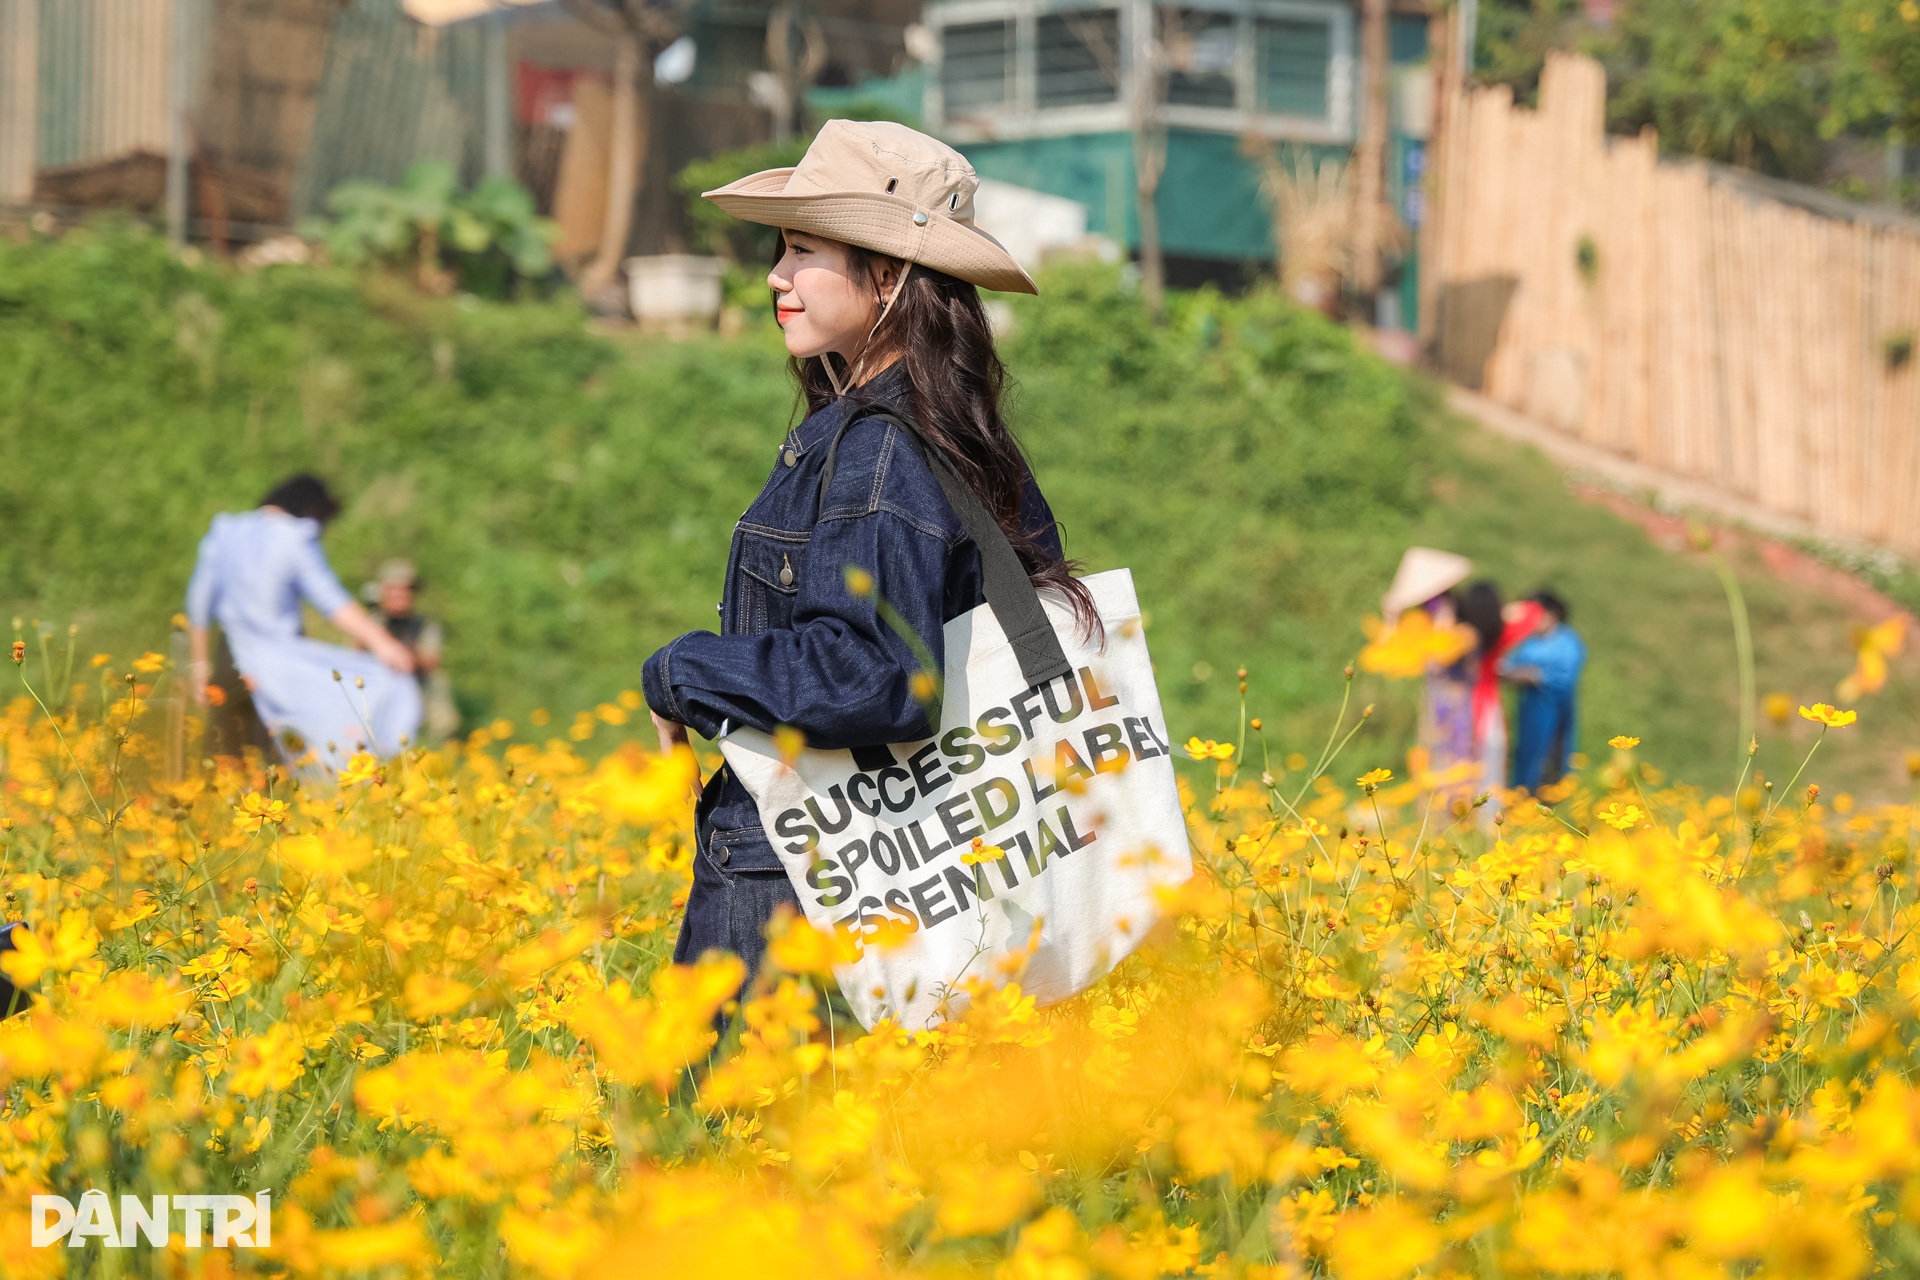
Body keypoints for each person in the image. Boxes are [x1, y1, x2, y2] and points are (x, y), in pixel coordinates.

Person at [640, 119, 1092, 989]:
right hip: (909, 871)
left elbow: (874, 677)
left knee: (736, 1122)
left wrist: (681, 670)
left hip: (807, 881)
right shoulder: (949, 430)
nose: (775, 276)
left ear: (888, 277)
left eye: (802, 250)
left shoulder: (881, 447)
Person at [185, 475, 420, 772]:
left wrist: (199, 666)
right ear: (312, 511)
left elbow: (198, 605)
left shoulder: (225, 530)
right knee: (273, 757)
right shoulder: (295, 536)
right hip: (276, 666)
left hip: (227, 656)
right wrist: (383, 643)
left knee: (223, 749)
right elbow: (330, 599)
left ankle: (214, 813)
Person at [1381, 547, 1474, 772]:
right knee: (1435, 752)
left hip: (1453, 701)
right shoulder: (1425, 631)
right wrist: (1391, 618)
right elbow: (1389, 651)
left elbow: (1439, 658)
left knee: (1453, 755)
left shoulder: (1463, 635)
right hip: (1435, 699)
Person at [366, 560, 460, 744]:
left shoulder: (423, 625)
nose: (402, 596)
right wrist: (375, 630)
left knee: (438, 687)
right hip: (376, 688)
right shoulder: (371, 623)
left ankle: (435, 744)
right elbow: (352, 657)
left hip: (415, 687)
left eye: (407, 591)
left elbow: (431, 662)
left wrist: (405, 646)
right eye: (395, 590)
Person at [1503, 589, 1586, 793]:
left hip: (1554, 711)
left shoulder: (1567, 641)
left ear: (1551, 614)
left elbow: (1564, 677)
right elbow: (1510, 666)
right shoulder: (1530, 642)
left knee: (1548, 761)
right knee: (1525, 755)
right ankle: (1521, 798)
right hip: (1530, 709)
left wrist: (1534, 675)